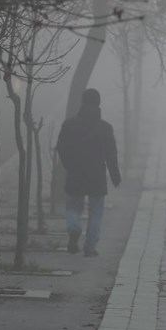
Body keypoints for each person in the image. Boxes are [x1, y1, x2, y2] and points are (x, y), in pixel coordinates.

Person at [55, 88, 121, 257]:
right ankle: (90, 247)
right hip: (97, 175)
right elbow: (111, 154)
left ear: (82, 102)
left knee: (72, 207)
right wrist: (115, 176)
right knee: (96, 212)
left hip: (75, 173)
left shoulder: (69, 125)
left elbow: (61, 148)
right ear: (99, 103)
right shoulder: (105, 128)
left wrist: (69, 165)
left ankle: (74, 227)